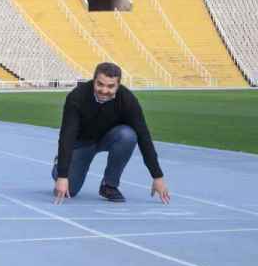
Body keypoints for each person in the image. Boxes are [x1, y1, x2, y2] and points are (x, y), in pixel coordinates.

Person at [52, 62, 171, 205]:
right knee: (70, 190)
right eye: (100, 84)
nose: (104, 90)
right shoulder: (77, 96)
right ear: (93, 80)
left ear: (118, 85)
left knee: (128, 135)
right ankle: (58, 168)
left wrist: (157, 176)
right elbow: (67, 136)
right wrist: (63, 176)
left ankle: (109, 185)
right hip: (82, 143)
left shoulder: (127, 100)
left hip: (108, 138)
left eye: (110, 86)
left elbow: (143, 135)